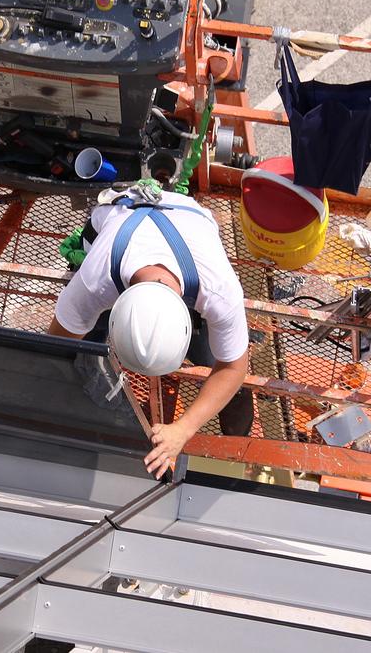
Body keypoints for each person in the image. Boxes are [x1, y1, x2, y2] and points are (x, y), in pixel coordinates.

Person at [49, 184, 252, 478]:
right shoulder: (95, 281)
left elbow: (233, 368)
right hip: (119, 215)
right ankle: (89, 411)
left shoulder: (219, 290)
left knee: (216, 364)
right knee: (81, 355)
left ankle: (236, 451)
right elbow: (54, 347)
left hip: (188, 221)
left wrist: (183, 430)